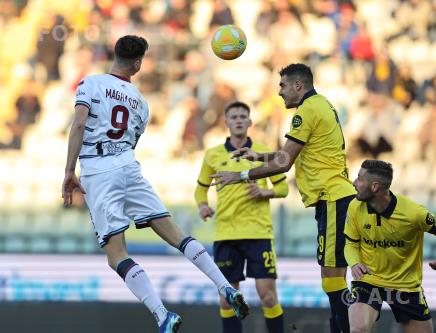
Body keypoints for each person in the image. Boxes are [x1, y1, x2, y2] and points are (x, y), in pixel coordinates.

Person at [61, 35, 249, 333]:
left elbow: (80, 124)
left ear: (116, 54)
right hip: (128, 166)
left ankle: (162, 315)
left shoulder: (90, 84)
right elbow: (131, 140)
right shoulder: (141, 103)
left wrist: (69, 171)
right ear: (137, 64)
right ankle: (224, 286)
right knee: (176, 233)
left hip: (98, 171)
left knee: (116, 255)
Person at [210, 63, 357, 333]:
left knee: (333, 275)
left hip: (334, 198)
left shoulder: (307, 110)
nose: (279, 92)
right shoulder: (321, 105)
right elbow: (290, 153)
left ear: (297, 86)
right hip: (334, 199)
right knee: (332, 276)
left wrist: (243, 175)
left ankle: (345, 328)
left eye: (283, 86)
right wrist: (260, 155)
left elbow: (285, 163)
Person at [195, 101, 289, 333]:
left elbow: (283, 188)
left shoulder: (262, 151)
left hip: (258, 233)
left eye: (242, 116)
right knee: (228, 299)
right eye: (233, 116)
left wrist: (265, 191)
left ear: (249, 122)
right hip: (226, 234)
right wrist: (203, 205)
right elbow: (200, 188)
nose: (238, 120)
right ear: (226, 122)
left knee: (267, 296)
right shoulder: (213, 155)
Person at [344, 160, 436, 333]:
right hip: (368, 281)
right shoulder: (354, 207)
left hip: (405, 286)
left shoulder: (414, 213)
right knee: (358, 329)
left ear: (375, 187)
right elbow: (350, 243)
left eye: (359, 179)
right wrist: (355, 262)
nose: (354, 183)